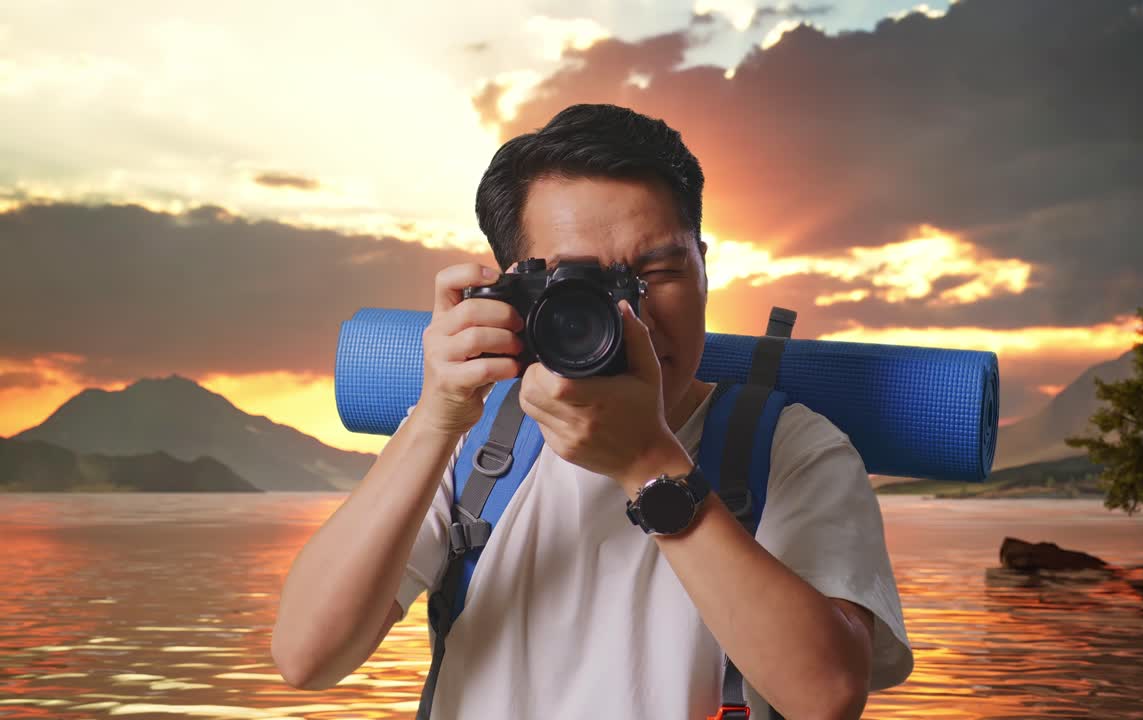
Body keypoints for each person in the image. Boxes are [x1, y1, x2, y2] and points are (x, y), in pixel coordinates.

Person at [271, 103, 913, 718]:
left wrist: (648, 463)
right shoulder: (474, 439)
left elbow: (826, 697)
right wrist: (436, 419)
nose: (628, 315)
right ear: (517, 290)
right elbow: (307, 656)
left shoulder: (792, 449)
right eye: (586, 287)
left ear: (705, 269)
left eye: (659, 272)